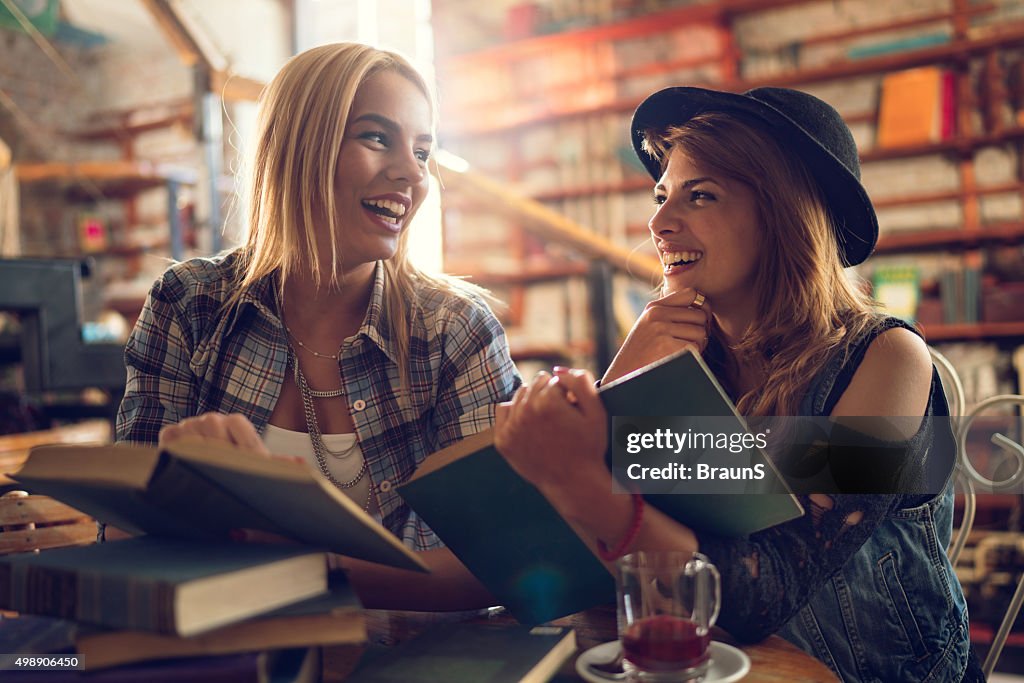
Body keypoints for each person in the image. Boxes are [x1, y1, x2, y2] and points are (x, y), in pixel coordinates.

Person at [494, 86, 984, 682]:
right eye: (660, 196)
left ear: (785, 215)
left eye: (700, 196)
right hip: (720, 667)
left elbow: (767, 586)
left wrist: (579, 478)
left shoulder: (888, 358)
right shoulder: (683, 361)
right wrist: (621, 380)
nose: (658, 223)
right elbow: (540, 562)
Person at [116, 42, 520, 609]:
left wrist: (301, 559)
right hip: (237, 651)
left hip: (412, 655)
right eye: (376, 137)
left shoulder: (456, 329)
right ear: (298, 150)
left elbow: (506, 561)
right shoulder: (190, 303)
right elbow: (128, 530)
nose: (412, 173)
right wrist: (177, 490)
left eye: (423, 151)